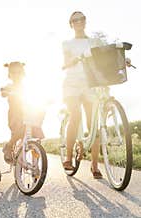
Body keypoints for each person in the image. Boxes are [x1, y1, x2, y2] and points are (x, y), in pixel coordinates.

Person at [61, 11, 104, 178]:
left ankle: (95, 166)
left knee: (93, 122)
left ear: (85, 21)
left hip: (89, 84)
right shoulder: (67, 43)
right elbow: (66, 62)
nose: (79, 21)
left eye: (81, 19)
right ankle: (69, 157)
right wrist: (76, 59)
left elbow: (104, 58)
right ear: (71, 24)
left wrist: (122, 60)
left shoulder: (94, 41)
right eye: (75, 20)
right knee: (75, 115)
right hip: (72, 84)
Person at [1, 62, 44, 164]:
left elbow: (38, 94)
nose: (16, 75)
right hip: (15, 116)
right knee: (19, 130)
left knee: (36, 132)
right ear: (9, 75)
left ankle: (36, 162)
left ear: (23, 74)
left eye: (19, 72)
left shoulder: (28, 87)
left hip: (29, 113)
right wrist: (5, 92)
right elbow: (3, 92)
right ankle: (9, 145)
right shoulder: (9, 86)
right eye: (13, 73)